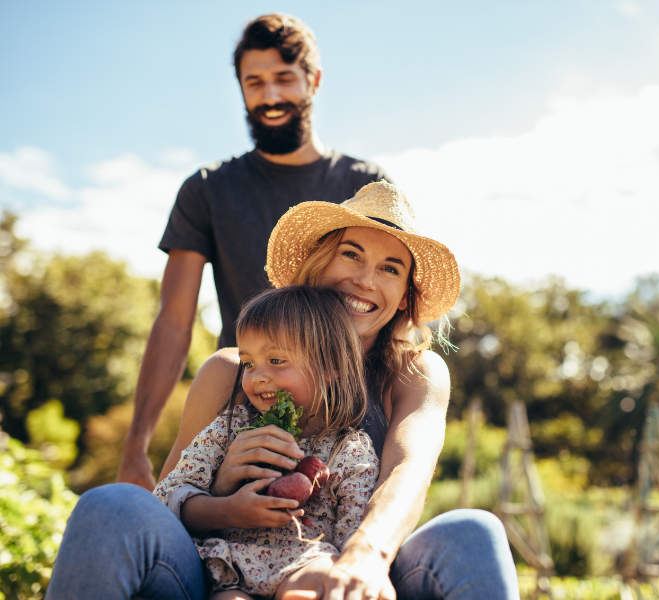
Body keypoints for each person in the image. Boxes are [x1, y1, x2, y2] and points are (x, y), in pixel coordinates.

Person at [46, 181, 520, 600]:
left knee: (475, 531)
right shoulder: (230, 371)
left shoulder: (414, 372)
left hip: (343, 564)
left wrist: (365, 555)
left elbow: (408, 471)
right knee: (110, 506)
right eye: (350, 254)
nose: (364, 279)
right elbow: (167, 503)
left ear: (405, 297)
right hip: (218, 571)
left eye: (391, 269)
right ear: (317, 263)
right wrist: (223, 485)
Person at [117, 13, 390, 491]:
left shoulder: (362, 185)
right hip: (245, 403)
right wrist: (136, 443)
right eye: (254, 82)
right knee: (185, 525)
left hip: (350, 412)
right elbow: (175, 321)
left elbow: (388, 300)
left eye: (283, 79)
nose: (270, 96)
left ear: (314, 81)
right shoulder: (208, 190)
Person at [155, 285, 381, 600]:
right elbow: (166, 498)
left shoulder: (349, 450)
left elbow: (354, 532)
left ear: (330, 368)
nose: (257, 376)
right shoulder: (229, 429)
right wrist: (227, 510)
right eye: (248, 363)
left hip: (305, 561)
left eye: (276, 360)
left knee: (322, 578)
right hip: (230, 568)